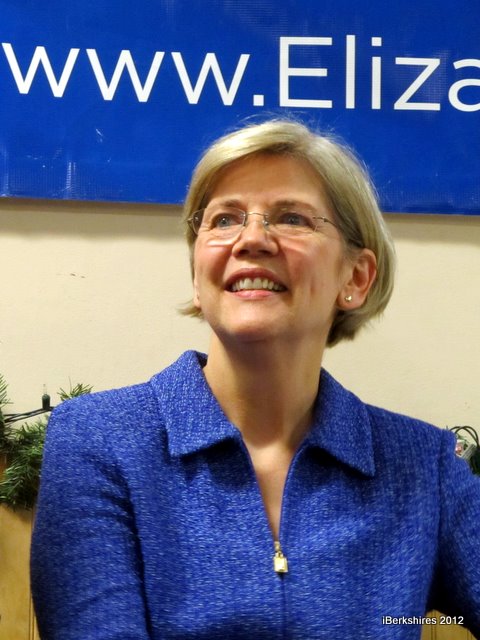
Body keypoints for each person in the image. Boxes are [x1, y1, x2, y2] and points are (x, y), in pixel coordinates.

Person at [31, 119, 480, 639]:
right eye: (224, 219)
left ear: (355, 278)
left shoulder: (423, 465)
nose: (251, 240)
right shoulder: (97, 440)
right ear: (197, 274)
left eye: (291, 218)